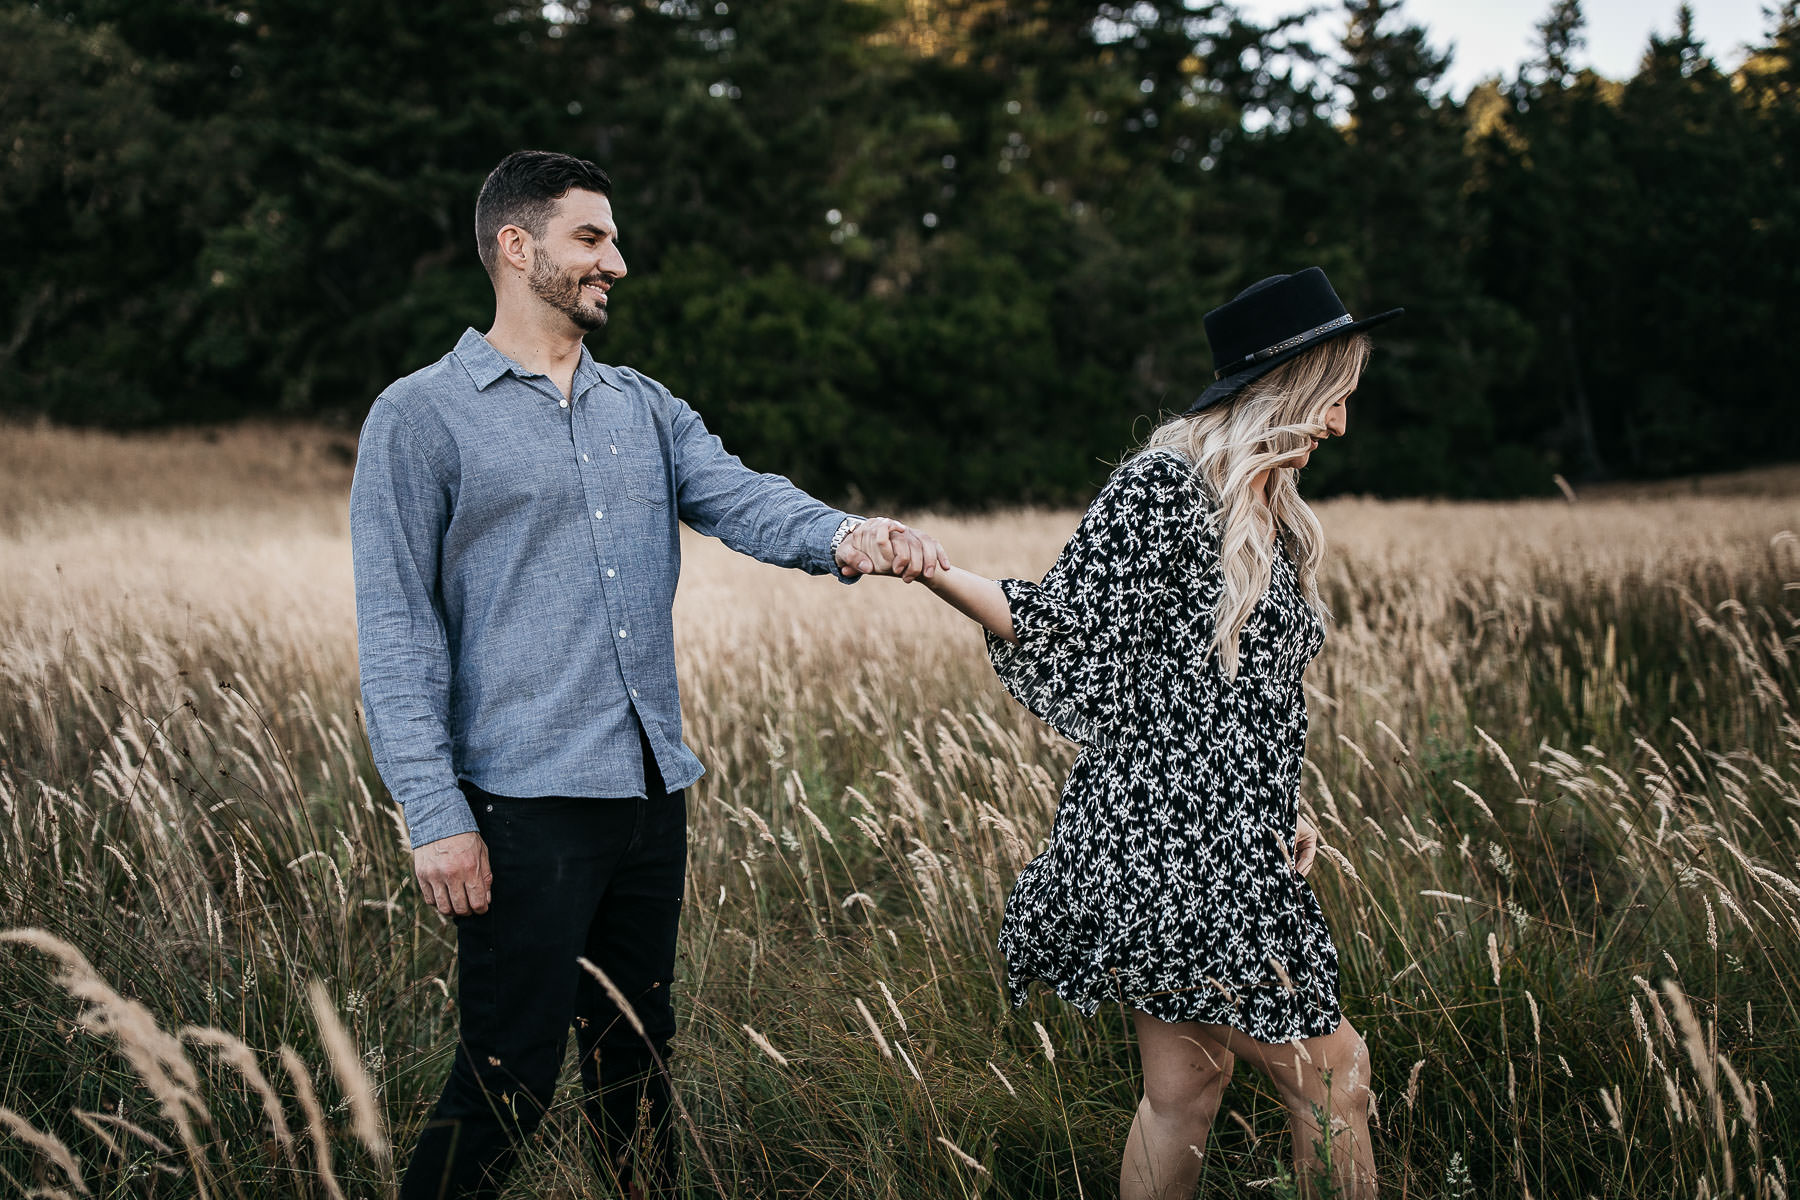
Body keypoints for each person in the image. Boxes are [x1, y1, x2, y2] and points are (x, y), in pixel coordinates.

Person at [349, 149, 946, 1200]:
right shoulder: (420, 415)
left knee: (636, 1068)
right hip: (520, 806)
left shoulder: (644, 408)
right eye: (593, 237)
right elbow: (396, 632)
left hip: (646, 795)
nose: (616, 261)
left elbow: (744, 497)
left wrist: (846, 533)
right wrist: (434, 814)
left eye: (614, 239)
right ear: (516, 246)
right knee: (508, 1083)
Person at [912, 268, 1400, 1199]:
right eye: (1331, 399)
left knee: (1188, 1086)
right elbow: (1064, 625)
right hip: (1168, 849)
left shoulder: (1266, 508)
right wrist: (933, 570)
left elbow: (1228, 691)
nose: (1339, 425)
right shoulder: (1162, 491)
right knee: (1336, 1080)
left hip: (1230, 837)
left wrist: (1282, 796)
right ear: (1281, 390)